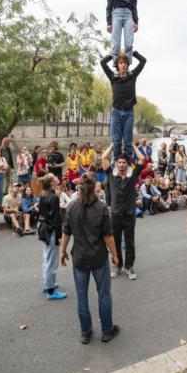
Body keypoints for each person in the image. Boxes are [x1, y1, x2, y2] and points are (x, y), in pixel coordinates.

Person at [61, 172, 120, 344]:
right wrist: (115, 255)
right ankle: (107, 330)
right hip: (98, 257)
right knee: (104, 294)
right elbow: (108, 237)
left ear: (78, 188)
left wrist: (62, 252)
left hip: (79, 258)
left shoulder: (71, 207)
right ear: (95, 187)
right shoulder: (101, 208)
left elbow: (66, 233)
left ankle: (86, 332)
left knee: (82, 296)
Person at [102, 142, 145, 280]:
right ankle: (117, 266)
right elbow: (104, 158)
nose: (121, 164)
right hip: (115, 214)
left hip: (129, 214)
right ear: (116, 164)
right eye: (119, 162)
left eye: (124, 162)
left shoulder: (132, 177)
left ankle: (129, 267)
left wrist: (132, 146)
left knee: (130, 242)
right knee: (115, 242)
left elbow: (142, 159)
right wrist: (113, 145)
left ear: (127, 164)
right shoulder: (111, 176)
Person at [100, 50, 146, 161]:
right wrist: (113, 54)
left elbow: (143, 61)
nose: (123, 65)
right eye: (121, 63)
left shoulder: (133, 76)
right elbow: (102, 63)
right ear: (117, 65)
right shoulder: (113, 77)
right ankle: (117, 163)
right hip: (116, 112)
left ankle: (128, 164)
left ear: (128, 65)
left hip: (128, 113)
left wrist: (132, 53)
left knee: (128, 142)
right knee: (116, 142)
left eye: (125, 63)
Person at [38, 175, 67, 300]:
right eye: (55, 179)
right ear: (51, 183)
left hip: (43, 228)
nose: (57, 180)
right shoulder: (54, 197)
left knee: (46, 257)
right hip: (51, 230)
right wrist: (60, 236)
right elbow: (56, 219)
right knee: (52, 261)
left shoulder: (43, 194)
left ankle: (47, 284)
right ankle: (51, 291)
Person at [106, 0, 138, 65]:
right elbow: (109, 7)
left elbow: (134, 8)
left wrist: (136, 21)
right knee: (116, 44)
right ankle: (116, 66)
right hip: (116, 15)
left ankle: (127, 66)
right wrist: (109, 22)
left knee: (129, 43)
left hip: (128, 16)